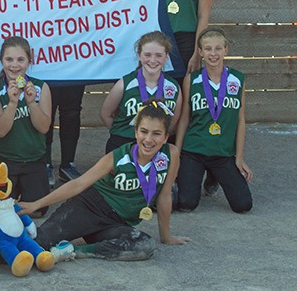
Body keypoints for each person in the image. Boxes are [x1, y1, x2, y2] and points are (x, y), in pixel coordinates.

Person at [19, 100, 189, 260]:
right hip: (89, 208)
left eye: (157, 134)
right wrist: (37, 204)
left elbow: (165, 196)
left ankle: (71, 251)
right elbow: (79, 183)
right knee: (37, 243)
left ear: (166, 137)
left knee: (144, 245)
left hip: (114, 224)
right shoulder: (117, 157)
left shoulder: (171, 155)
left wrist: (166, 236)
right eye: (144, 131)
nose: (149, 139)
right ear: (136, 131)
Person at [175, 28, 253, 213]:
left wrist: (239, 157)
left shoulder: (237, 79)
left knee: (243, 205)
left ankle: (213, 177)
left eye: (218, 48)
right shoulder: (191, 80)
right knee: (186, 204)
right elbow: (185, 118)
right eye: (208, 49)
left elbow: (240, 120)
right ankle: (191, 175)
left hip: (223, 153)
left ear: (226, 50)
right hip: (194, 150)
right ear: (200, 52)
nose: (213, 53)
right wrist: (177, 152)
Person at [0, 36, 52, 214]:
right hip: (5, 162)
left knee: (37, 212)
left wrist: (31, 103)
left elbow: (44, 127)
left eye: (21, 59)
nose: (14, 65)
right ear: (1, 61)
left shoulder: (41, 87)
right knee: (2, 211)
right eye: (9, 59)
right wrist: (12, 103)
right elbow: (0, 131)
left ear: (29, 61)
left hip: (34, 161)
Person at [41, 0, 84, 185]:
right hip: (44, 51)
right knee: (45, 109)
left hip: (74, 51)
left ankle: (67, 162)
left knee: (71, 110)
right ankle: (44, 162)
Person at [101, 31, 182, 154]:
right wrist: (122, 134)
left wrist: (155, 137)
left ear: (166, 57)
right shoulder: (125, 84)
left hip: (156, 146)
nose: (153, 60)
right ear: (139, 55)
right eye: (147, 55)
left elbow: (173, 123)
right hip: (124, 144)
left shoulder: (173, 87)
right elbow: (105, 114)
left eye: (159, 55)